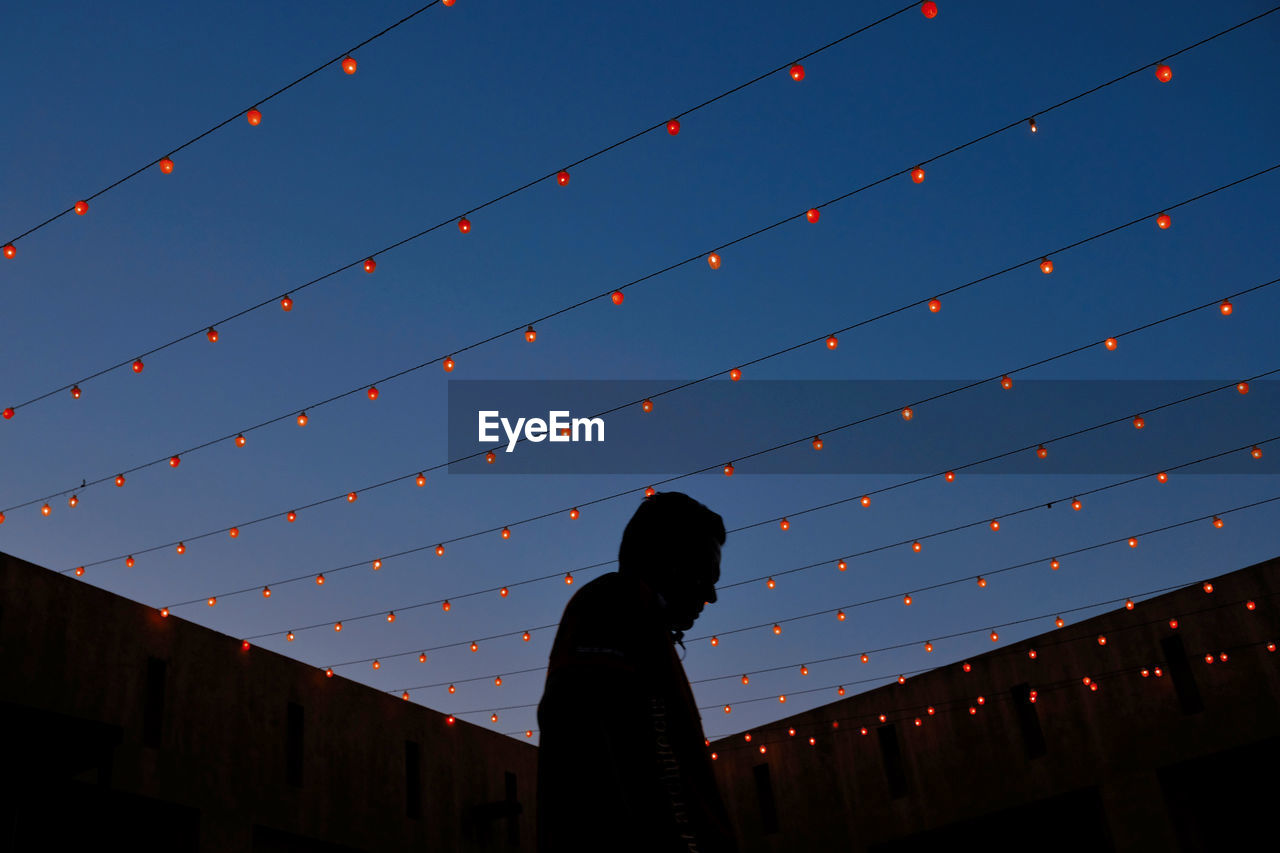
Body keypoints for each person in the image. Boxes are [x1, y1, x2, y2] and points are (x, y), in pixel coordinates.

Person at [536, 492, 738, 853]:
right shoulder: (612, 607)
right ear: (667, 559)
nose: (711, 595)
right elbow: (642, 765)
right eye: (704, 575)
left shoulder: (636, 622)